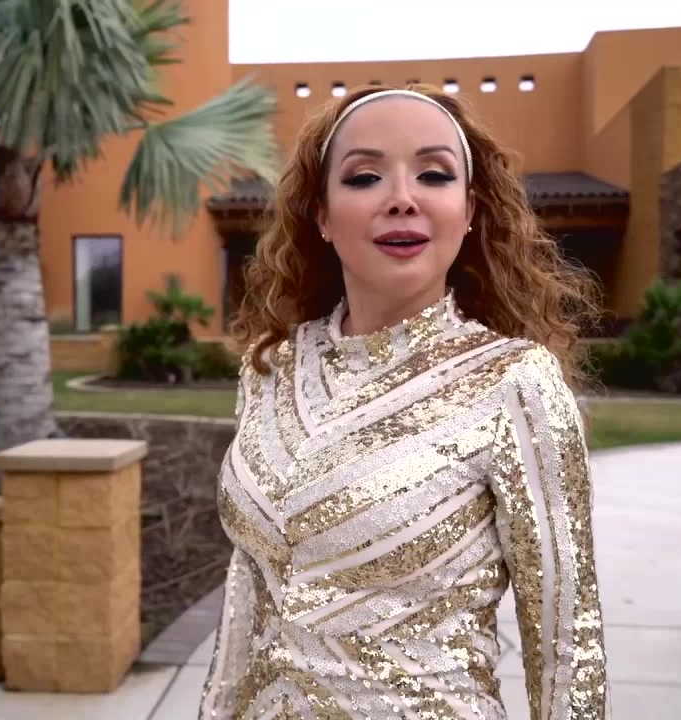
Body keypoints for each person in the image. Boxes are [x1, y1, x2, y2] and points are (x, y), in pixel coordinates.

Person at [198, 84, 609, 720]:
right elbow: (247, 591)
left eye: (434, 174)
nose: (401, 198)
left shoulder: (514, 382)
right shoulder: (271, 367)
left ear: (468, 211)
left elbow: (567, 640)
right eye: (364, 177)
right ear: (322, 216)